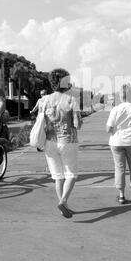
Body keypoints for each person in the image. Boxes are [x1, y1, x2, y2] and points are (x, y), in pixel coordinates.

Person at [43, 69, 82, 218]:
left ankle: (63, 205)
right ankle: (64, 200)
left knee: (58, 176)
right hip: (68, 141)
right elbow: (77, 124)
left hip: (50, 142)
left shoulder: (46, 99)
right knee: (71, 174)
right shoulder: (71, 99)